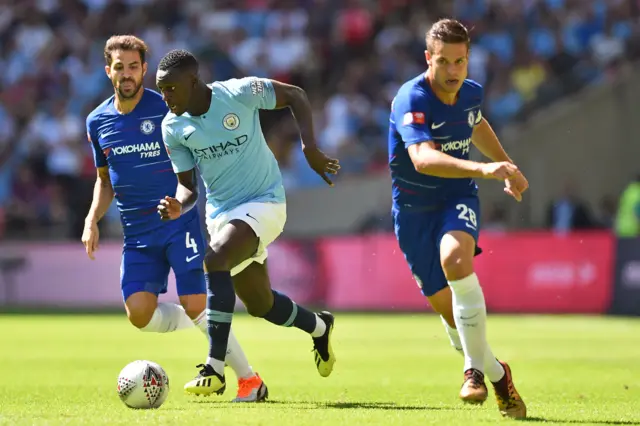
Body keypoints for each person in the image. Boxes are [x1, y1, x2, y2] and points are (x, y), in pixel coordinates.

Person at [82, 35, 267, 402]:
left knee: (195, 301)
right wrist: (92, 220)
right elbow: (105, 181)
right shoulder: (97, 121)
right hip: (136, 234)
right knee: (139, 314)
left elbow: (206, 137)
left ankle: (250, 381)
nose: (127, 74)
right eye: (120, 67)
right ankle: (205, 320)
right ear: (109, 71)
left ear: (144, 70)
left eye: (134, 66)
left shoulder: (167, 107)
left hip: (176, 224)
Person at [155, 49, 339, 396]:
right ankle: (319, 327)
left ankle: (214, 366)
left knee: (214, 258)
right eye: (161, 90)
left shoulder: (238, 93)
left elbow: (295, 95)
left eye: (171, 88)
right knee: (261, 305)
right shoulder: (172, 126)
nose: (165, 97)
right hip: (222, 216)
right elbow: (187, 187)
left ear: (193, 81)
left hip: (265, 201)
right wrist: (178, 205)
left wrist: (309, 148)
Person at [388, 19, 528, 419]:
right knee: (455, 320)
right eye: (445, 61)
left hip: (456, 197)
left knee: (455, 260)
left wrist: (506, 165)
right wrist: (483, 170)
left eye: (461, 62)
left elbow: (476, 123)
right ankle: (498, 374)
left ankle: (472, 373)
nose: (453, 71)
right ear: (428, 58)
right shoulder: (410, 98)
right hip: (413, 212)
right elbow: (422, 159)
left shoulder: (471, 93)